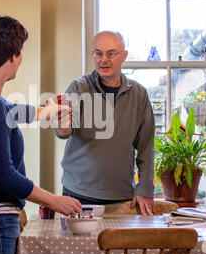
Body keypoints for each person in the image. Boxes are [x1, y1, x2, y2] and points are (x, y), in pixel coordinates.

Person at [0, 14, 82, 254]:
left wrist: (46, 110)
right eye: (20, 52)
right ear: (13, 56)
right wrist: (55, 201)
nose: (21, 58)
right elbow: (4, 176)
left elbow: (9, 111)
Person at [53, 31, 156, 216]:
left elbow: (146, 146)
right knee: (78, 247)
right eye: (98, 53)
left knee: (118, 246)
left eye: (111, 53)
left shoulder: (139, 94)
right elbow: (63, 131)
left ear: (124, 56)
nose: (103, 60)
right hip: (78, 194)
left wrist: (145, 188)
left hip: (123, 197)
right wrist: (62, 122)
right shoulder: (79, 87)